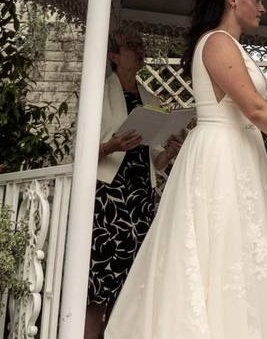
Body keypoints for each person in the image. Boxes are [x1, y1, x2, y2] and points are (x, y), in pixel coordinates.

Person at [104, 0, 267, 339]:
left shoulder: (233, 44)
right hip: (222, 156)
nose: (263, 7)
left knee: (244, 254)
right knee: (219, 251)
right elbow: (256, 109)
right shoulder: (217, 43)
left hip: (240, 153)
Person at [86, 28, 185, 339]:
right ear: (114, 56)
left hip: (140, 198)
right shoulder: (96, 95)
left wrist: (169, 151)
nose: (139, 50)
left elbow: (155, 162)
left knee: (133, 281)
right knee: (99, 284)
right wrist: (110, 146)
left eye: (141, 45)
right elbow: (76, 153)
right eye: (131, 45)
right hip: (107, 199)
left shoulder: (151, 99)